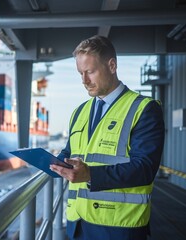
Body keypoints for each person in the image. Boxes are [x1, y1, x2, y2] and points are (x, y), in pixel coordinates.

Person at [50, 35, 165, 240]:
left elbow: (145, 168)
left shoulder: (144, 109)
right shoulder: (80, 111)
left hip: (118, 226)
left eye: (90, 72)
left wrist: (90, 175)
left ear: (112, 65)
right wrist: (53, 162)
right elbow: (70, 152)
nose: (84, 80)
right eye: (80, 73)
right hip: (78, 223)